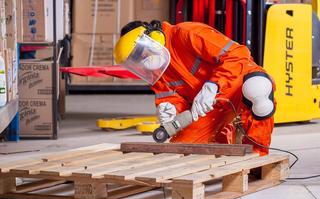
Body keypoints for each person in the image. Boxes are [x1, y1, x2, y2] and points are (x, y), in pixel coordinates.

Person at [113, 20, 276, 156]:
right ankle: (228, 142)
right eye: (135, 60)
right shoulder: (156, 68)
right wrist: (170, 110)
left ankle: (257, 157)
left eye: (140, 53)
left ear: (153, 37)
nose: (142, 61)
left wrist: (213, 84)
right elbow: (171, 97)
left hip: (236, 85)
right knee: (180, 152)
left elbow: (238, 54)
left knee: (258, 89)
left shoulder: (187, 33)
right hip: (208, 108)